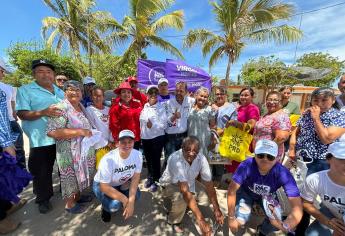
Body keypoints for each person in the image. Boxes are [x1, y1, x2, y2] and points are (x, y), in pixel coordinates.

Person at [290, 87, 345, 234]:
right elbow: (297, 130)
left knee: (310, 201)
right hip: (302, 161)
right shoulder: (306, 113)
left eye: (324, 100)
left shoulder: (338, 117)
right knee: (301, 196)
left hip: (321, 162)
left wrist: (316, 118)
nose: (319, 103)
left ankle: (306, 229)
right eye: (316, 100)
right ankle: (299, 227)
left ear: (333, 101)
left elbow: (326, 138)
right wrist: (292, 147)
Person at [16, 59, 65, 214]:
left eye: (49, 71)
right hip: (41, 139)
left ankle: (66, 190)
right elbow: (22, 114)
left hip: (62, 136)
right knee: (42, 170)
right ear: (34, 74)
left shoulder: (60, 91)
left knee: (64, 166)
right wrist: (43, 112)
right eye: (41, 71)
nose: (45, 74)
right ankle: (43, 198)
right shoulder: (25, 90)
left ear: (53, 75)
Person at [227, 139, 302, 235]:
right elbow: (232, 191)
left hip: (268, 196)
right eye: (260, 155)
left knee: (275, 223)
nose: (265, 159)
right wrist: (231, 218)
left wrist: (287, 225)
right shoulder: (246, 165)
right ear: (255, 154)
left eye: (270, 157)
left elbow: (297, 207)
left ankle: (262, 230)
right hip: (246, 192)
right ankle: (241, 226)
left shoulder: (283, 173)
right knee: (241, 219)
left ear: (276, 158)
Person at [47, 80, 96, 214]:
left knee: (78, 175)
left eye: (78, 90)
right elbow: (52, 132)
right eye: (70, 89)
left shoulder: (81, 106)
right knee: (70, 176)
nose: (74, 92)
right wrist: (79, 132)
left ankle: (78, 197)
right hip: (68, 151)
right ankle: (70, 204)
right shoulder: (60, 108)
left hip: (83, 149)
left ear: (82, 93)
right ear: (64, 92)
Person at [159, 136, 224, 235]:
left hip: (189, 182)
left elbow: (209, 185)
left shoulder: (201, 158)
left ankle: (188, 206)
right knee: (182, 198)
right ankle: (174, 220)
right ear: (182, 147)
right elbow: (184, 191)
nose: (191, 153)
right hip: (170, 185)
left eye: (195, 151)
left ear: (199, 150)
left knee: (207, 197)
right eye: (187, 150)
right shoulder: (175, 159)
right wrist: (201, 221)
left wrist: (217, 209)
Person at [93, 129, 142, 222]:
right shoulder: (108, 160)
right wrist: (125, 200)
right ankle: (105, 207)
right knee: (114, 205)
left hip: (121, 181)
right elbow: (104, 187)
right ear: (117, 144)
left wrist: (131, 201)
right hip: (103, 185)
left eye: (130, 142)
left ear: (134, 142)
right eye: (123, 142)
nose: (127, 145)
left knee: (137, 196)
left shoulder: (138, 155)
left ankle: (119, 194)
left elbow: (135, 178)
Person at [301, 141, 345, 236]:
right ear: (328, 159)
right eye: (342, 159)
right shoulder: (315, 179)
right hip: (331, 211)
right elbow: (306, 203)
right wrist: (327, 221)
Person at [225, 87, 260, 173]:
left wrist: (236, 123)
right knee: (234, 166)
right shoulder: (239, 108)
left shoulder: (252, 108)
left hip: (245, 142)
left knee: (242, 167)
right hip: (236, 141)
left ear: (252, 97)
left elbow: (251, 126)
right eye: (242, 95)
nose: (243, 97)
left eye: (246, 95)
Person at [140, 85, 167, 192]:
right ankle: (150, 177)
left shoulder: (161, 107)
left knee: (156, 160)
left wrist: (153, 125)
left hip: (157, 138)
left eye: (156, 93)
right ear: (147, 95)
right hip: (146, 138)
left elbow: (164, 125)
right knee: (149, 159)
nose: (153, 95)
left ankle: (156, 180)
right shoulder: (145, 106)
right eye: (151, 93)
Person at [0, 58, 26, 169]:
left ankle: (20, 172)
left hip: (11, 122)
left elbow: (12, 103)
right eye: (2, 71)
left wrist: (15, 114)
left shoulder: (9, 88)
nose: (4, 74)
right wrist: (5, 142)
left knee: (18, 149)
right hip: (3, 128)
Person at [253, 91, 291, 161]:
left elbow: (281, 137)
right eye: (269, 99)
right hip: (260, 154)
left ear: (280, 102)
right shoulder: (268, 114)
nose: (271, 102)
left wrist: (266, 152)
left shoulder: (281, 116)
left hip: (268, 157)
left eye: (275, 100)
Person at [164, 82, 194, 159]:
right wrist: (174, 117)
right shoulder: (168, 103)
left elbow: (201, 101)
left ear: (186, 92)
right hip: (170, 138)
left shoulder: (191, 101)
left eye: (181, 91)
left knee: (183, 160)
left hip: (184, 137)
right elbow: (166, 121)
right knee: (170, 160)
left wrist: (211, 105)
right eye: (177, 91)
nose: (178, 93)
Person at [109, 81, 142, 150]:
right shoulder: (115, 108)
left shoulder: (138, 104)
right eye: (123, 92)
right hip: (124, 141)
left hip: (137, 139)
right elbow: (113, 126)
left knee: (135, 158)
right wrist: (117, 140)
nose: (126, 94)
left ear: (131, 94)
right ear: (120, 94)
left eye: (128, 92)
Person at [188, 87, 216, 157]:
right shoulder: (189, 108)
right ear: (196, 95)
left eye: (205, 97)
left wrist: (213, 139)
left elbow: (213, 126)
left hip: (205, 141)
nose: (203, 98)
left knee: (205, 163)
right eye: (201, 96)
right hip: (191, 140)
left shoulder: (209, 109)